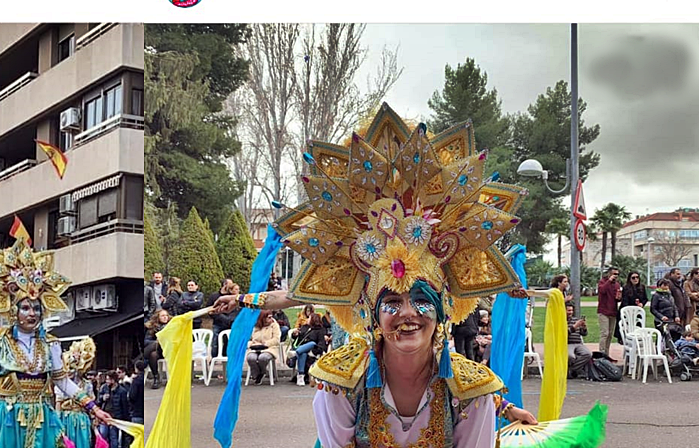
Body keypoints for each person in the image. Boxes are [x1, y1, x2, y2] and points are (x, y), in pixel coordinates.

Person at [211, 109, 543, 446]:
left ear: (443, 309)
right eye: (392, 301)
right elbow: (291, 296)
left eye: (422, 300)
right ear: (370, 310)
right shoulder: (339, 383)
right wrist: (240, 299)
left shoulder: (474, 391)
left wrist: (504, 406)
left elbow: (468, 397)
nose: (408, 313)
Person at [0, 238, 112, 447]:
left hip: (44, 419)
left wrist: (93, 407)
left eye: (36, 308)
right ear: (14, 310)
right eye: (25, 308)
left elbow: (63, 381)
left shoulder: (51, 344)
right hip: (9, 419)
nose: (32, 313)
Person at [58, 338, 97, 448]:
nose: (70, 372)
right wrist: (57, 424)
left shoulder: (87, 384)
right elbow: (58, 403)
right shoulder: (61, 385)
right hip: (65, 419)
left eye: (72, 368)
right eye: (68, 368)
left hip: (82, 420)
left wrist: (95, 422)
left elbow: (90, 404)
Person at [291, 308, 327, 386]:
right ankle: (300, 376)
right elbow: (299, 339)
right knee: (303, 353)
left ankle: (296, 352)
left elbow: (321, 344)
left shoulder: (320, 330)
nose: (307, 319)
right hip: (303, 348)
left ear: (313, 320)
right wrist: (295, 334)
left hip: (313, 349)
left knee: (312, 343)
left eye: (309, 318)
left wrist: (313, 351)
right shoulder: (305, 327)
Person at [246, 312, 280, 385]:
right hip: (255, 348)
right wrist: (252, 344)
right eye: (269, 317)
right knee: (250, 358)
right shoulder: (255, 326)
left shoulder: (274, 325)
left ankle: (262, 373)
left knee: (263, 358)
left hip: (269, 348)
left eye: (271, 317)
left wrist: (266, 344)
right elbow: (249, 339)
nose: (271, 319)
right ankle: (257, 374)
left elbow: (276, 339)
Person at [597, 267, 622, 357]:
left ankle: (606, 354)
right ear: (609, 274)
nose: (616, 276)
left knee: (610, 334)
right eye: (614, 274)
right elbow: (602, 291)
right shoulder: (602, 282)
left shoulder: (617, 285)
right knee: (605, 333)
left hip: (613, 311)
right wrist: (609, 281)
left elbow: (617, 298)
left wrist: (619, 298)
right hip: (603, 311)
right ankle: (601, 352)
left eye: (617, 274)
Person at [142, 310, 170, 389]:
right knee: (153, 354)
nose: (165, 317)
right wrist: (156, 341)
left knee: (157, 344)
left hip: (169, 350)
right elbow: (146, 341)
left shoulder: (171, 325)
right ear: (158, 317)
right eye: (162, 316)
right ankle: (156, 378)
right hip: (158, 351)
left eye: (166, 315)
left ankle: (142, 360)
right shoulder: (153, 327)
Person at [565, 304, 593, 378]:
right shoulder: (561, 321)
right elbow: (564, 334)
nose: (570, 312)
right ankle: (573, 370)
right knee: (570, 356)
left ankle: (572, 369)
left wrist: (584, 327)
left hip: (578, 343)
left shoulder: (575, 320)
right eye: (568, 310)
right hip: (568, 343)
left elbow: (584, 334)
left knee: (588, 354)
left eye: (571, 310)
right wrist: (574, 327)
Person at [664, 268, 694, 333]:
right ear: (671, 274)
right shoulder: (669, 285)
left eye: (680, 274)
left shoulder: (679, 284)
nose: (679, 276)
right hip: (674, 315)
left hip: (682, 313)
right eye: (677, 274)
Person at [128, 361, 145, 445]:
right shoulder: (143, 380)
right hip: (144, 411)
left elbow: (132, 396)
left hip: (137, 412)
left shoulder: (136, 380)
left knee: (137, 436)